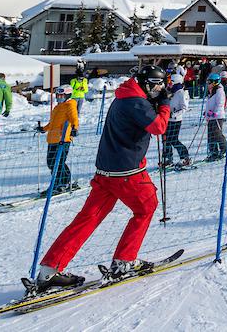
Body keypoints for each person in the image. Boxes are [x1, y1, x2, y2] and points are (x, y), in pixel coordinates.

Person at [34, 66, 172, 290]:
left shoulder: (126, 96)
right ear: (146, 84)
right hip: (127, 172)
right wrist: (164, 106)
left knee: (88, 218)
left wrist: (155, 104)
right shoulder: (137, 102)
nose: (160, 90)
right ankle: (124, 262)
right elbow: (159, 127)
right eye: (157, 86)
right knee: (146, 207)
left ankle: (49, 270)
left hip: (105, 170)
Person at [36, 85, 80, 195]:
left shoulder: (70, 105)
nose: (59, 97)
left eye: (62, 95)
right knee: (51, 163)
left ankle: (60, 184)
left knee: (58, 163)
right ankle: (65, 181)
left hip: (62, 139)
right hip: (52, 139)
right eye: (58, 95)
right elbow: (53, 123)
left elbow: (74, 118)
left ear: (68, 95)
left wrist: (75, 128)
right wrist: (44, 129)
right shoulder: (57, 107)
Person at [162, 80, 191, 168]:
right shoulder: (169, 91)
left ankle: (185, 157)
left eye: (171, 83)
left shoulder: (181, 92)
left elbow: (184, 108)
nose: (169, 85)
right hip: (166, 119)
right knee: (165, 139)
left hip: (176, 120)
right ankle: (168, 158)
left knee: (173, 140)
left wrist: (173, 114)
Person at [203, 78, 227, 161]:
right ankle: (213, 152)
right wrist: (206, 112)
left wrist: (214, 113)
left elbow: (220, 104)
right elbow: (210, 103)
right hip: (210, 116)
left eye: (209, 82)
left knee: (217, 134)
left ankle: (224, 150)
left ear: (214, 83)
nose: (208, 84)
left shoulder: (219, 91)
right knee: (210, 135)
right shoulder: (211, 91)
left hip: (218, 116)